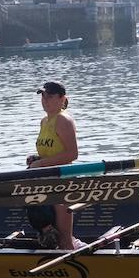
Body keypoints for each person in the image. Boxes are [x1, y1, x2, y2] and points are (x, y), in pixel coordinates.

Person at [27, 81, 79, 250]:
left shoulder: (64, 120)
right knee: (48, 230)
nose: (45, 100)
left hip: (62, 182)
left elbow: (72, 154)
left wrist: (41, 163)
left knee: (64, 239)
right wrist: (36, 158)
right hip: (46, 180)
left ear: (62, 99)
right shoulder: (44, 121)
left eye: (50, 96)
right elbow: (51, 151)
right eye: (43, 96)